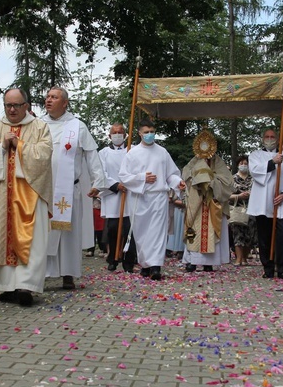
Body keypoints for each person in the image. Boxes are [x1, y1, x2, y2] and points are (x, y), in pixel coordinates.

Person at [0, 88, 53, 306]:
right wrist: (1, 147)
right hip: (2, 192)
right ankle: (7, 286)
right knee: (2, 236)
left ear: (26, 106)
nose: (12, 110)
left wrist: (18, 145)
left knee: (31, 240)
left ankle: (26, 286)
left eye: (16, 105)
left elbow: (44, 155)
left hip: (29, 193)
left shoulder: (39, 127)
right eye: (8, 105)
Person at [41, 87, 105, 290]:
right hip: (43, 189)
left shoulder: (77, 126)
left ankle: (68, 274)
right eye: (48, 97)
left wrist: (98, 182)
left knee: (69, 233)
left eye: (54, 97)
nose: (49, 100)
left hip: (69, 189)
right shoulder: (38, 124)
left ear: (65, 102)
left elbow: (91, 155)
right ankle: (41, 272)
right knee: (43, 232)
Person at [119, 118, 186, 280]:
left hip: (158, 197)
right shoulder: (132, 153)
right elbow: (123, 176)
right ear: (140, 133)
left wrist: (179, 183)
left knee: (157, 232)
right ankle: (145, 265)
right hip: (139, 198)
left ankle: (156, 266)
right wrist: (142, 178)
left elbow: (171, 174)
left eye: (152, 132)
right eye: (146, 132)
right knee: (142, 234)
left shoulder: (162, 152)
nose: (149, 135)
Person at [181, 130, 232, 272]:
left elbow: (227, 182)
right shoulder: (194, 161)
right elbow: (186, 174)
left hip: (213, 204)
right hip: (196, 204)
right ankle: (191, 261)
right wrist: (198, 179)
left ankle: (209, 263)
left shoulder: (219, 163)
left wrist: (212, 182)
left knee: (211, 233)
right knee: (194, 231)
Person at [247, 128, 283, 279]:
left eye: (272, 136)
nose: (269, 139)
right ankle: (267, 267)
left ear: (278, 138)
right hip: (262, 200)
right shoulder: (255, 155)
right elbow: (255, 171)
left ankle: (282, 268)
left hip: (282, 201)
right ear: (262, 138)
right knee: (264, 235)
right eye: (266, 136)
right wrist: (272, 163)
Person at [98, 123, 137, 272]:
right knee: (113, 228)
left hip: (130, 194)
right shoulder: (103, 153)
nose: (117, 134)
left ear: (125, 135)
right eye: (114, 132)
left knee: (129, 229)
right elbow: (101, 172)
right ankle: (113, 258)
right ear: (109, 136)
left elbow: (137, 169)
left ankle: (129, 261)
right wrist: (116, 185)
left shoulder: (132, 150)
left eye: (120, 132)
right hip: (113, 195)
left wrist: (128, 182)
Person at [229, 156, 257, 266]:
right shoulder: (232, 179)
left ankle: (245, 257)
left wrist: (250, 194)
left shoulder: (253, 179)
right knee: (237, 234)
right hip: (237, 209)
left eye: (246, 163)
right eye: (241, 163)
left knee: (250, 235)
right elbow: (226, 195)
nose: (243, 165)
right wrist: (239, 196)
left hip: (251, 209)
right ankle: (238, 258)